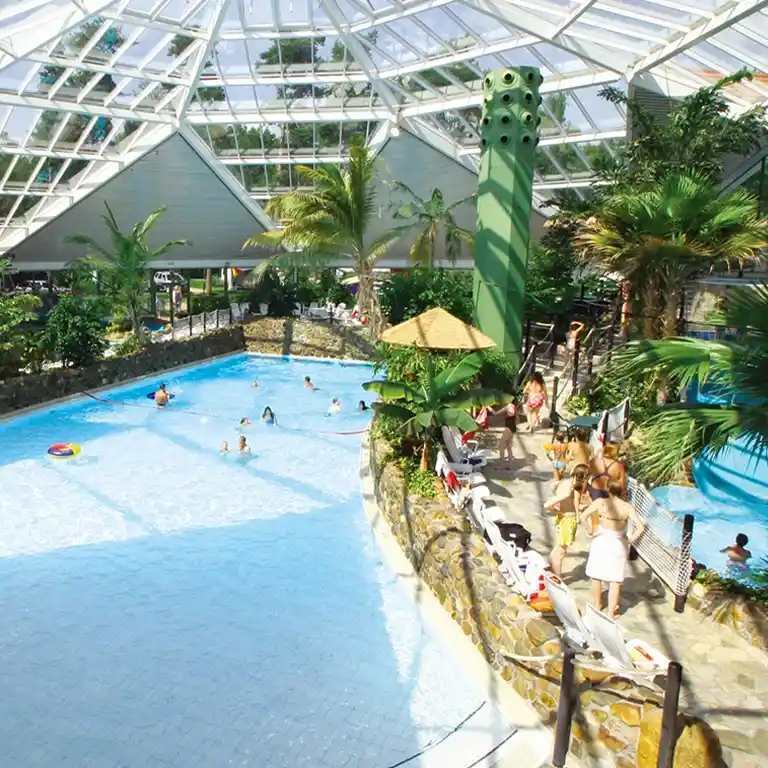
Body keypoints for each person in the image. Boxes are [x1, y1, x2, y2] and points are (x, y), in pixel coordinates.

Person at [581, 480, 645, 617]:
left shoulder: (600, 502)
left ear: (608, 490)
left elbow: (583, 516)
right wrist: (629, 540)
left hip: (601, 540)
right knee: (615, 580)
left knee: (596, 576)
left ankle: (597, 605)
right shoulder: (627, 507)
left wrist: (591, 530)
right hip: (618, 543)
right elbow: (640, 528)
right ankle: (610, 613)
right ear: (621, 492)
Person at [544, 464, 590, 576]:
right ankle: (557, 577)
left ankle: (550, 570)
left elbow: (573, 501)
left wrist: (557, 511)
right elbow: (548, 504)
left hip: (563, 519)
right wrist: (556, 509)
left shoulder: (565, 483)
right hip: (567, 521)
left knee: (559, 547)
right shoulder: (569, 489)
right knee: (561, 552)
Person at [491, 401, 517, 470]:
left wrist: (487, 407)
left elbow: (495, 413)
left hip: (508, 428)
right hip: (513, 428)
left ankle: (502, 465)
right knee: (509, 447)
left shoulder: (508, 406)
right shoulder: (512, 406)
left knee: (501, 447)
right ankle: (510, 465)